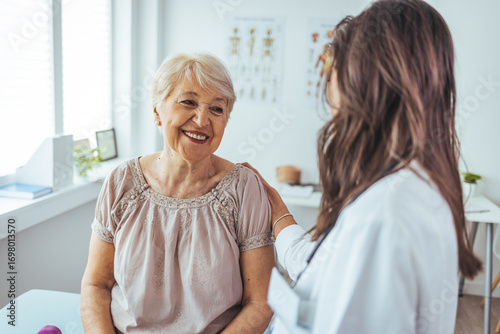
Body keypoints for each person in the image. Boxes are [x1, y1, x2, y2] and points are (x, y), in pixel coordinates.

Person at [245, 0, 482, 333]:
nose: (332, 114)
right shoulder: (414, 187)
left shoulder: (381, 216)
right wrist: (278, 212)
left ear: (368, 86)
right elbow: (327, 265)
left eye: (339, 110)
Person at [80, 53, 275, 333]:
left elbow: (260, 302)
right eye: (188, 102)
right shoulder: (121, 182)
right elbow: (96, 284)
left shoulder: (244, 188)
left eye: (217, 109)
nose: (202, 119)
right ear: (158, 110)